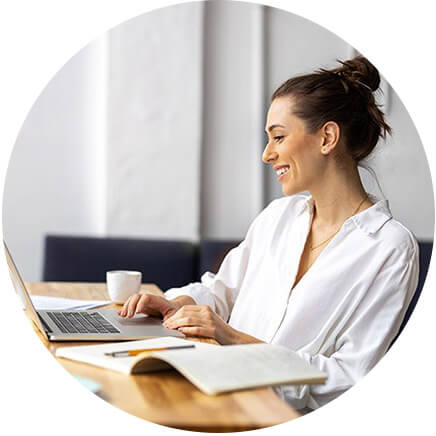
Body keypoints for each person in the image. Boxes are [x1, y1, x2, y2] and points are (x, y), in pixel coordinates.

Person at [119, 56, 419, 411]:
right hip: (216, 395)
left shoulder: (390, 248)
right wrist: (177, 304)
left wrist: (229, 336)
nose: (266, 154)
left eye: (278, 137)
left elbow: (348, 379)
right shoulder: (278, 217)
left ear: (327, 137)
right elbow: (221, 292)